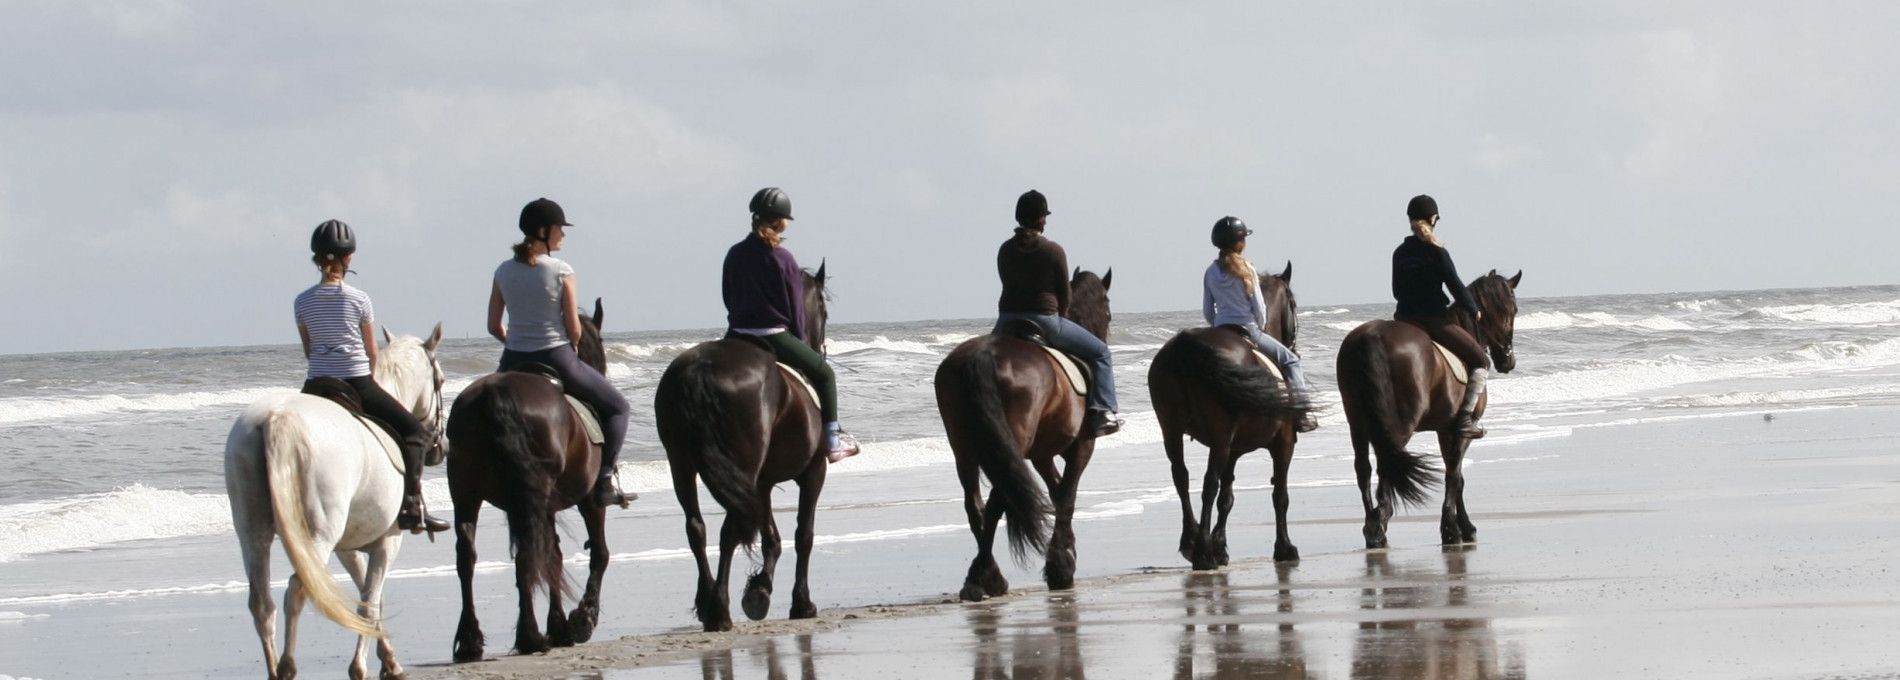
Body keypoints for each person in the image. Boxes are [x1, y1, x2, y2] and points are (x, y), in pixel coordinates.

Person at [295, 219, 449, 534]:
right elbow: (371, 352)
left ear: (316, 258)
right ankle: (411, 506)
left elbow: (310, 351)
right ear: (348, 258)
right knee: (414, 432)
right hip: (356, 382)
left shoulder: (302, 301)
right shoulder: (359, 299)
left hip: (315, 385)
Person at [488, 198, 633, 506]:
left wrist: (514, 343)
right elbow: (574, 328)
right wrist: (574, 347)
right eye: (559, 230)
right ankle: (605, 479)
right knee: (619, 407)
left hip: (512, 358)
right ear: (543, 231)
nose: (563, 236)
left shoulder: (503, 270)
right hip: (556, 356)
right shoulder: (561, 270)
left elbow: (493, 325)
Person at [722, 187, 861, 462]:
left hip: (736, 335)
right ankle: (833, 442)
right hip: (773, 336)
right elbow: (796, 309)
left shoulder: (735, 253)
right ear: (781, 221)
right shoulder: (783, 259)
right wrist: (799, 339)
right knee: (825, 375)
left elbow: (728, 296)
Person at [995, 190, 1121, 438]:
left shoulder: (1005, 250)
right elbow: (1065, 295)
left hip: (1006, 321)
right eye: (1045, 216)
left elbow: (1005, 283)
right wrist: (1061, 315)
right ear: (1041, 220)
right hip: (1045, 321)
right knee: (1101, 353)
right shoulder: (1053, 250)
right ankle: (1104, 411)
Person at [1202, 216, 1320, 433]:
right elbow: (1260, 308)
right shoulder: (1247, 268)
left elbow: (1208, 311)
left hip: (1220, 330)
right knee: (1291, 360)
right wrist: (1260, 329)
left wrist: (1218, 326)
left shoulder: (1210, 271)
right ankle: (1302, 413)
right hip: (1248, 330)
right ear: (1240, 242)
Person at [1392, 194, 1490, 438]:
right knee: (1481, 361)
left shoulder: (1399, 253)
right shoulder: (1437, 252)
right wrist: (1474, 310)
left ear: (1410, 220)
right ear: (1433, 219)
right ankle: (1466, 419)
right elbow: (1455, 286)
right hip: (1433, 321)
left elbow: (1396, 290)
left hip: (1403, 320)